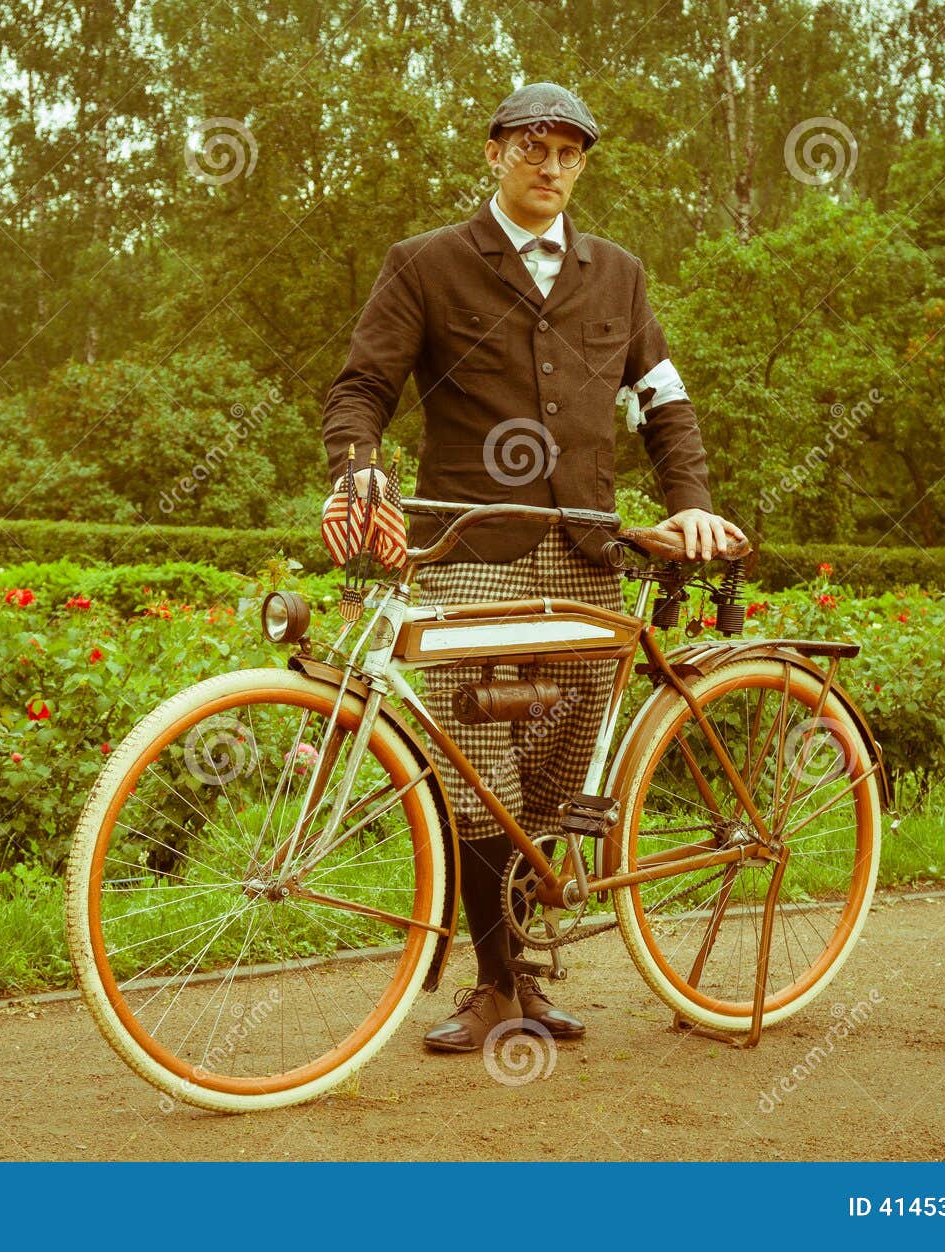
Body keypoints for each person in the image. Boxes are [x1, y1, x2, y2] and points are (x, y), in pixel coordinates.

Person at [320, 82, 747, 1052]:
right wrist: (359, 470)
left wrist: (691, 503)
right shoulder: (425, 265)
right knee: (477, 777)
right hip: (473, 554)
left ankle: (526, 978)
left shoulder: (619, 274)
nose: (550, 167)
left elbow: (664, 399)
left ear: (582, 164)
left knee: (554, 783)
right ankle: (490, 984)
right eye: (532, 148)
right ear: (493, 153)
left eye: (568, 153)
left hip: (589, 557)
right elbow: (363, 387)